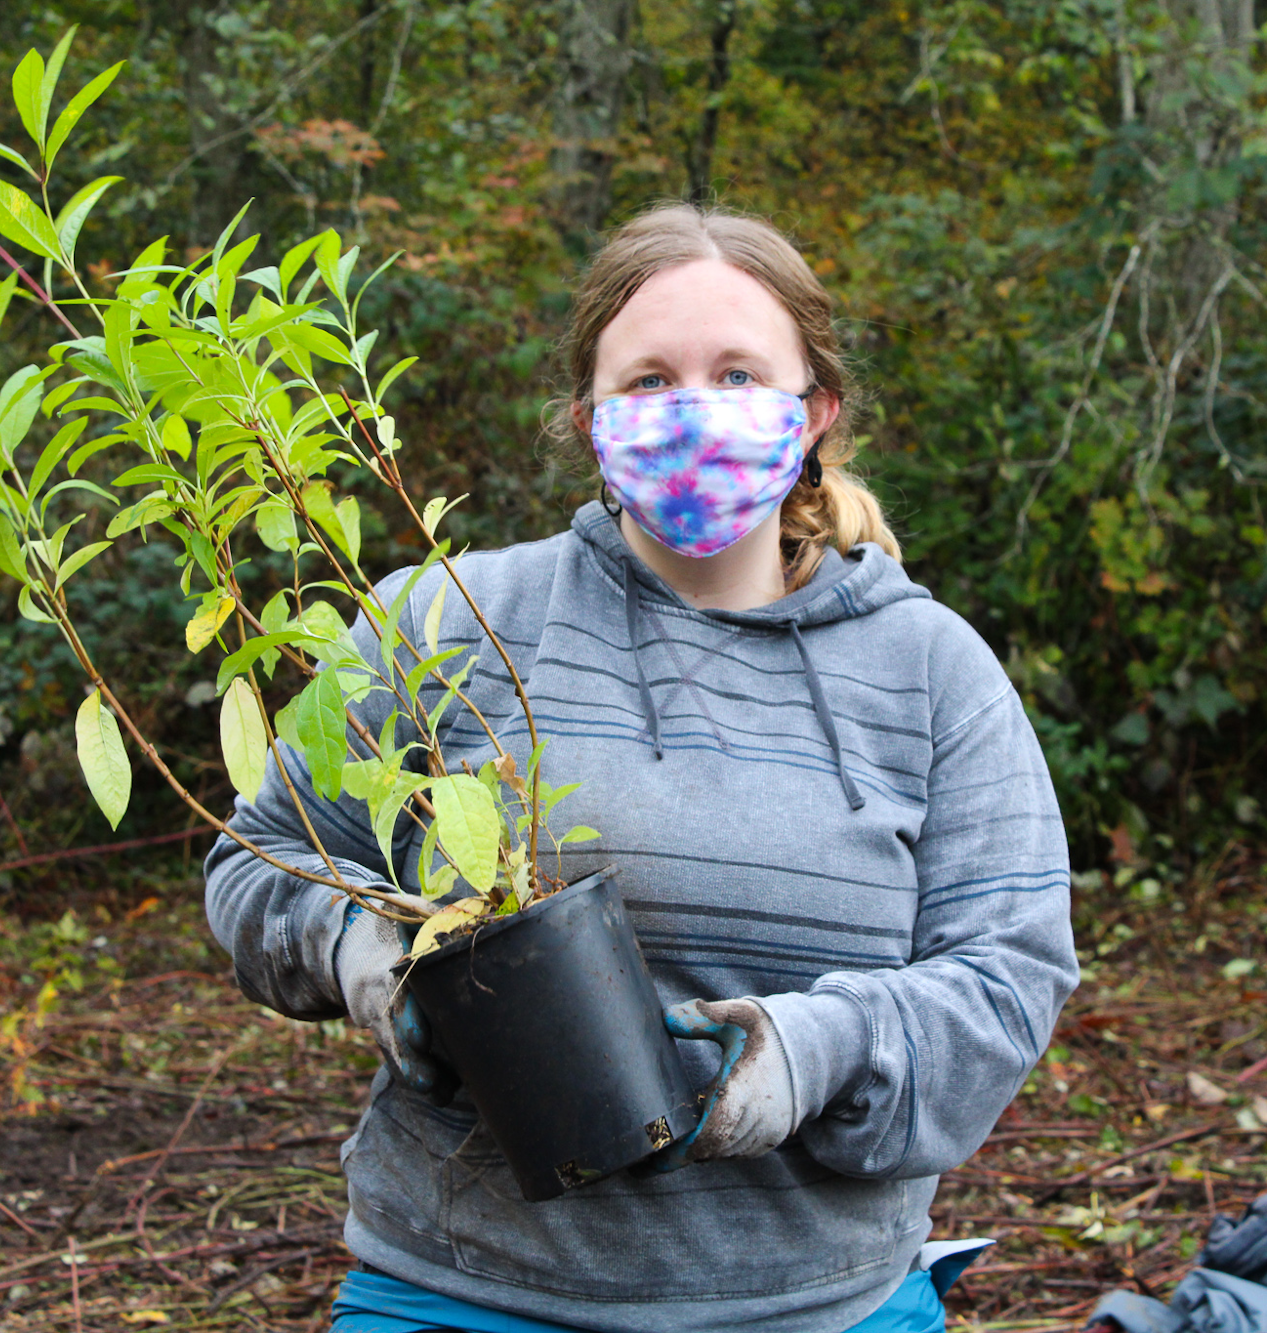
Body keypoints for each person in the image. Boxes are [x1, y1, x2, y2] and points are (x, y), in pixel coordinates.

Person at [204, 202, 1078, 1333]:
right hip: (462, 1293)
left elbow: (1007, 974)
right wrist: (362, 953)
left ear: (812, 412)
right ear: (588, 419)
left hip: (814, 1306)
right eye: (650, 382)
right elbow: (255, 859)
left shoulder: (930, 670)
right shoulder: (444, 617)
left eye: (735, 374)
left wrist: (806, 1054)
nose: (693, 411)